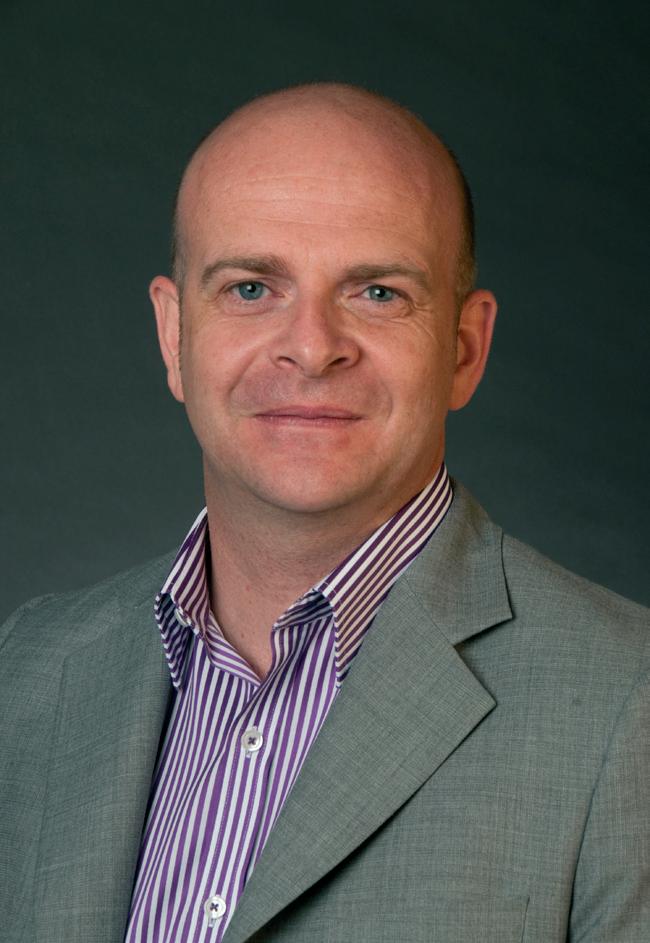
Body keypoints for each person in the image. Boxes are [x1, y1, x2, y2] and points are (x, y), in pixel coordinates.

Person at [1, 83, 648, 943]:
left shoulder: (628, 705)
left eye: (377, 292)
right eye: (250, 288)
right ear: (172, 334)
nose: (310, 347)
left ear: (465, 349)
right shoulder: (26, 674)